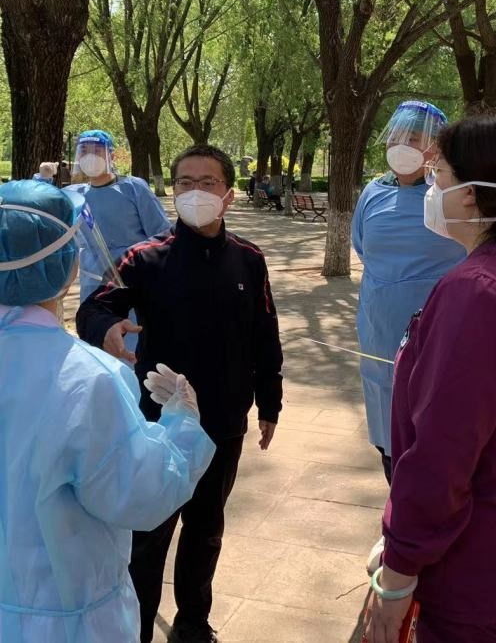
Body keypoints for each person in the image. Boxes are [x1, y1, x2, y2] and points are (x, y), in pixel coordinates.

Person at [363, 114, 496, 643]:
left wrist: (399, 571)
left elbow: (443, 453)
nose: (430, 188)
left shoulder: (480, 290)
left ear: (471, 193)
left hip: (472, 560)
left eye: (439, 175)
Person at [77, 144, 284, 643]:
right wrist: (106, 327)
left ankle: (193, 623)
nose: (196, 192)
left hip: (224, 420)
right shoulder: (146, 258)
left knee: (205, 529)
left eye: (208, 182)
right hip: (159, 421)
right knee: (149, 536)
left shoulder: (249, 260)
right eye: (185, 182)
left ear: (229, 194)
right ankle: (137, 630)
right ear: (172, 191)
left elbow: (265, 334)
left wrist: (269, 401)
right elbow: (94, 307)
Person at [0, 180, 215, 642]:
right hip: (64, 620)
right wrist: (182, 426)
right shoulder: (86, 379)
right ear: (70, 266)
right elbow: (140, 494)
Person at [352, 101, 465, 487]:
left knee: (434, 434)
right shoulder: (372, 193)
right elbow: (362, 247)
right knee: (389, 434)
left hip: (438, 335)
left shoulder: (451, 196)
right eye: (396, 138)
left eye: (414, 138)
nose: (402, 146)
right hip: (379, 333)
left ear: (435, 147)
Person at [69, 129, 170, 304]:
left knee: (133, 318)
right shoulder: (75, 195)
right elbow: (44, 210)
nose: (90, 157)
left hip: (133, 272)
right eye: (84, 151)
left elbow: (162, 234)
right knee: (95, 318)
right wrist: (43, 178)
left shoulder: (134, 188)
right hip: (92, 279)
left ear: (111, 156)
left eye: (97, 150)